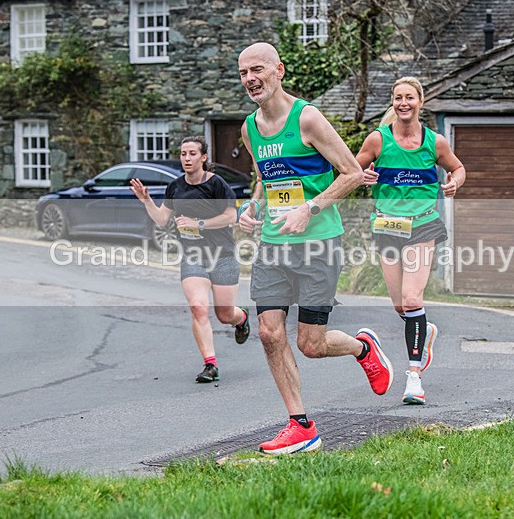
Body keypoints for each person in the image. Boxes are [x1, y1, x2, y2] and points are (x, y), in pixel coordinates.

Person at [237, 42, 393, 456]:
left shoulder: (306, 118)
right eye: (243, 73)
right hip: (273, 242)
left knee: (311, 344)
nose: (250, 79)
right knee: (271, 334)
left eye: (258, 70)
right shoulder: (249, 128)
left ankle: (363, 347)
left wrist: (310, 207)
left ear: (279, 70)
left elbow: (353, 173)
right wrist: (252, 206)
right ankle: (300, 425)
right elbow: (264, 178)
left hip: (318, 241)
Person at [355, 76, 466, 405]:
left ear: (420, 102)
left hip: (423, 225)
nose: (404, 103)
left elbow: (459, 169)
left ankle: (414, 377)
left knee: (412, 298)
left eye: (410, 98)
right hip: (388, 226)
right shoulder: (377, 140)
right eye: (398, 97)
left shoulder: (435, 143)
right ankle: (425, 331)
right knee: (401, 305)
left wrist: (454, 182)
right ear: (393, 102)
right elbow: (347, 171)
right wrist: (362, 176)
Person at [129, 136, 250, 383]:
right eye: (183, 154)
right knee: (198, 307)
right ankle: (210, 364)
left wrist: (199, 223)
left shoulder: (217, 184)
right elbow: (162, 219)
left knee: (225, 314)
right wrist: (147, 201)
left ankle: (242, 319)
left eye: (192, 153)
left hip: (222, 255)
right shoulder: (175, 187)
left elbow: (230, 217)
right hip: (193, 256)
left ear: (203, 157)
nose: (186, 158)